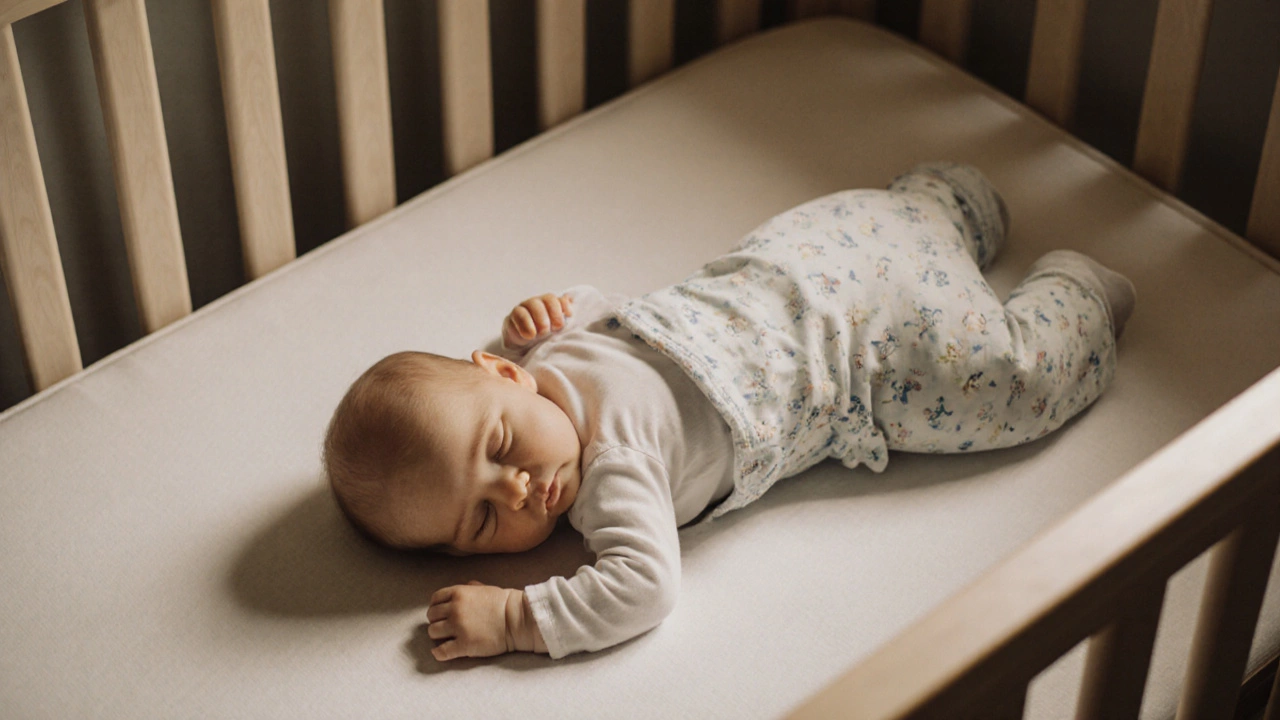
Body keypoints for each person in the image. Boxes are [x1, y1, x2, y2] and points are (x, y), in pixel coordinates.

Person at [321, 162, 1136, 662]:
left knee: (1012, 392)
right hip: (840, 294)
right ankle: (981, 218)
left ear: (506, 373)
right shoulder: (588, 429)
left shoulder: (597, 438)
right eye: (480, 524)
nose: (522, 489)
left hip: (824, 303)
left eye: (500, 447)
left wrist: (518, 620)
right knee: (946, 292)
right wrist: (545, 320)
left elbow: (644, 591)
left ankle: (1029, 269)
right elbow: (641, 581)